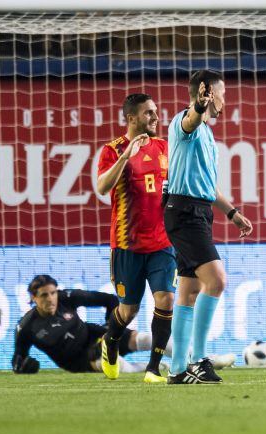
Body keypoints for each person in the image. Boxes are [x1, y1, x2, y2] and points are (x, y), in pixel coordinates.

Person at [164, 70, 253, 384]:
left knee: (188, 293)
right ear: (205, 93)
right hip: (184, 211)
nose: (224, 101)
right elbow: (190, 119)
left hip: (198, 211)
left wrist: (232, 213)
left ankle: (177, 369)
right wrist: (198, 108)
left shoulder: (207, 136)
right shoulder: (185, 123)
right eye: (221, 94)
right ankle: (199, 359)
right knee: (216, 280)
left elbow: (208, 185)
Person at [96, 93, 177, 384]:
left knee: (166, 299)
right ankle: (110, 340)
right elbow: (102, 187)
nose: (156, 118)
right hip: (127, 245)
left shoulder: (165, 147)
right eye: (148, 113)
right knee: (128, 310)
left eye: (155, 112)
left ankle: (153, 369)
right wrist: (126, 157)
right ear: (131, 118)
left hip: (163, 243)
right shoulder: (113, 150)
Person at [12, 275, 235, 374]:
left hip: (94, 334)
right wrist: (23, 367)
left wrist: (113, 329)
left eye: (52, 293)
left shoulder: (66, 297)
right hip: (77, 359)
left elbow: (108, 300)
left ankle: (203, 361)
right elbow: (18, 359)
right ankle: (160, 371)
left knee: (147, 338)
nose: (51, 298)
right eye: (43, 295)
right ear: (32, 297)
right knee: (116, 365)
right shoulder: (27, 327)